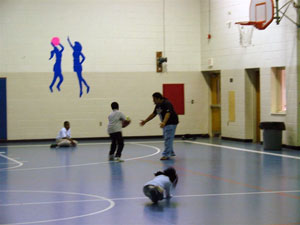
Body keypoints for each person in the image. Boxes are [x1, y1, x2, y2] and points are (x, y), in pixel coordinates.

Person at [140, 92, 179, 160]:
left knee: (168, 138)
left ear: (158, 98)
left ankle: (166, 155)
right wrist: (145, 121)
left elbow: (168, 113)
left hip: (171, 123)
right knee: (167, 137)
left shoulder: (167, 103)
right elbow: (154, 114)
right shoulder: (158, 105)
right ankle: (171, 152)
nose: (153, 101)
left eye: (154, 99)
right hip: (166, 123)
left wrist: (164, 122)